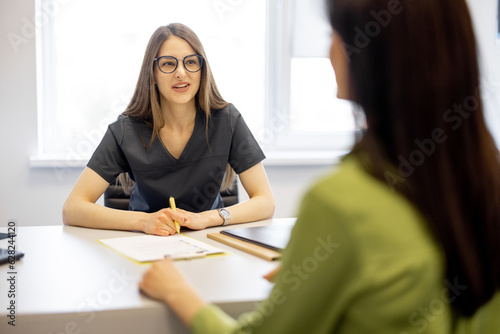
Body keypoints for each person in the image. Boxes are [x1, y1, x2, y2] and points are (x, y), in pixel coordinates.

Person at [139, 0, 500, 332]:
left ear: (370, 56)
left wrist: (178, 291)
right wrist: (322, 269)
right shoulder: (480, 181)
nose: (328, 49)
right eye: (169, 64)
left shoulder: (339, 203)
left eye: (334, 35)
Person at [63, 23, 275, 235]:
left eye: (191, 62)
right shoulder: (126, 130)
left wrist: (206, 218)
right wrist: (144, 222)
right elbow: (72, 209)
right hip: (144, 245)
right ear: (152, 73)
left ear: (202, 70)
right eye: (167, 64)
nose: (181, 73)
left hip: (209, 241)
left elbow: (265, 202)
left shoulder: (227, 120)